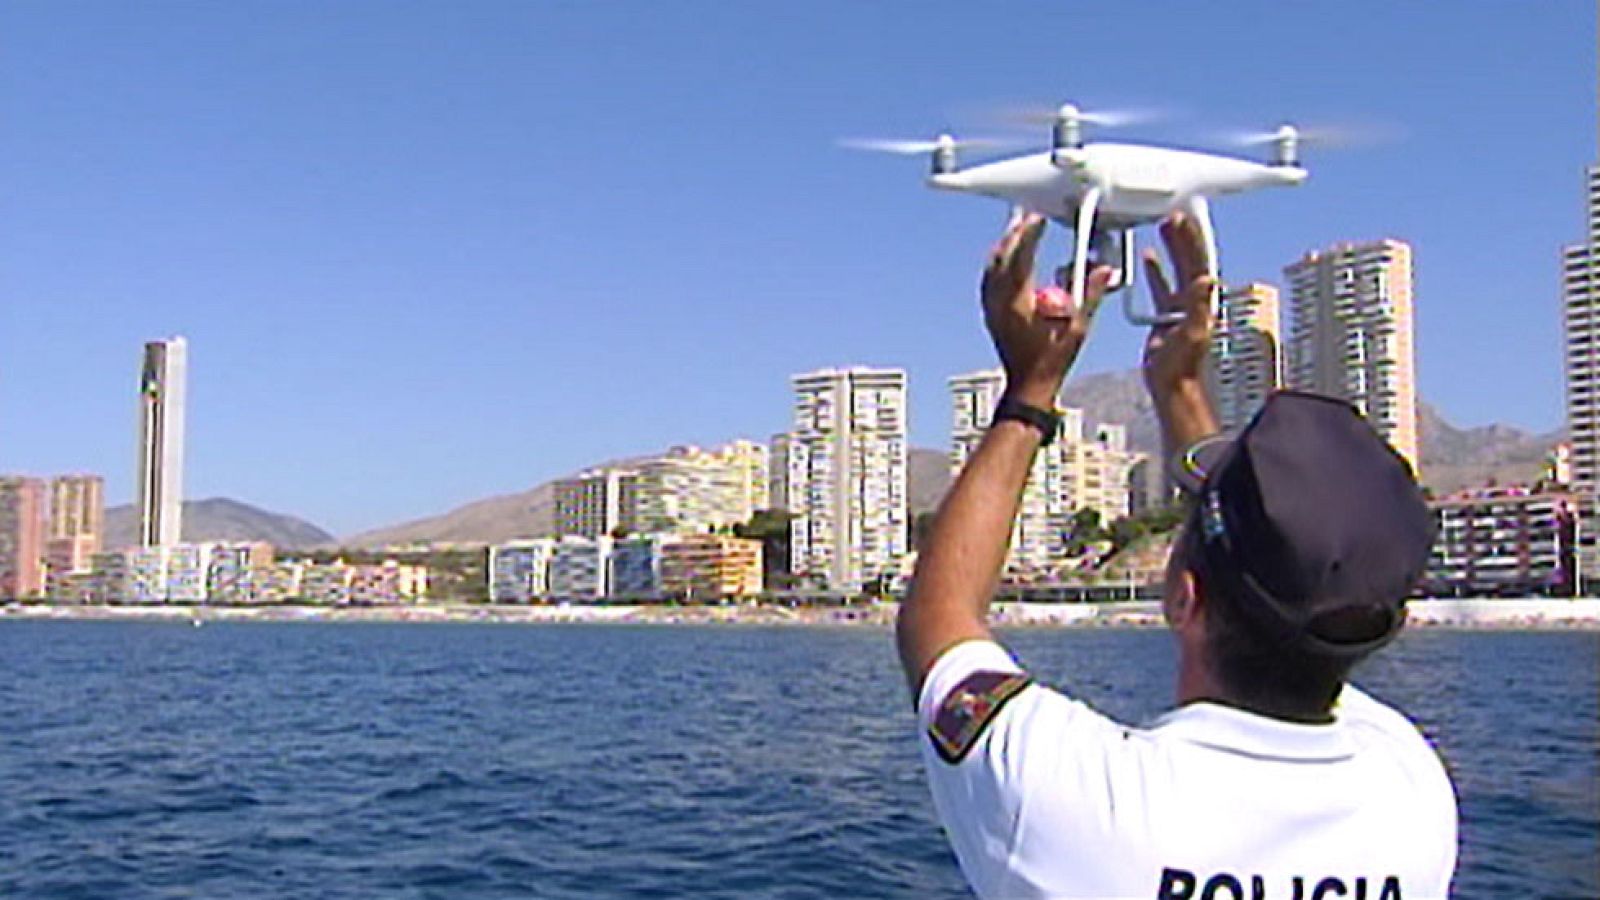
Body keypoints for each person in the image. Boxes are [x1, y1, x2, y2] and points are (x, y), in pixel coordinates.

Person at [897, 209, 1458, 899]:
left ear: (1182, 597)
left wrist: (1030, 389)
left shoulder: (1079, 809)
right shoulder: (1411, 798)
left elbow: (937, 619)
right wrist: (1180, 388)